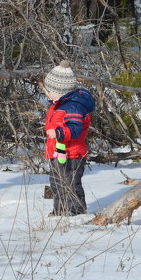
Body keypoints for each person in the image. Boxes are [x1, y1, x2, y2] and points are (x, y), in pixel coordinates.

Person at [41, 61, 96, 216]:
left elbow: (75, 128)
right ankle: (60, 211)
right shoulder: (59, 105)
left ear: (60, 91)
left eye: (49, 91)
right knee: (57, 183)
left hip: (72, 155)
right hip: (59, 153)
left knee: (70, 183)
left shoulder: (73, 107)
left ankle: (76, 211)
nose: (47, 94)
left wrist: (59, 133)